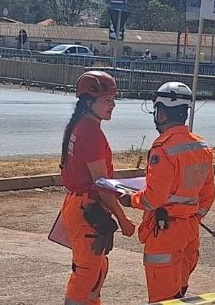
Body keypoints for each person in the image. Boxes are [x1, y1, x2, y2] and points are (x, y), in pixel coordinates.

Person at [119, 82, 215, 302]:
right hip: (190, 228)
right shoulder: (202, 147)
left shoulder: (163, 150)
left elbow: (152, 199)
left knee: (162, 297)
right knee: (178, 293)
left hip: (165, 231)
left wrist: (129, 199)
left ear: (160, 112)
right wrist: (190, 216)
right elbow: (208, 196)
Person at [59, 71, 135, 305]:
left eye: (113, 100)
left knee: (95, 271)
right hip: (87, 210)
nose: (112, 105)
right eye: (106, 101)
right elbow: (102, 186)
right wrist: (124, 220)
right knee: (86, 275)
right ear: (89, 102)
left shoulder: (80, 125)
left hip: (80, 206)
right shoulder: (90, 132)